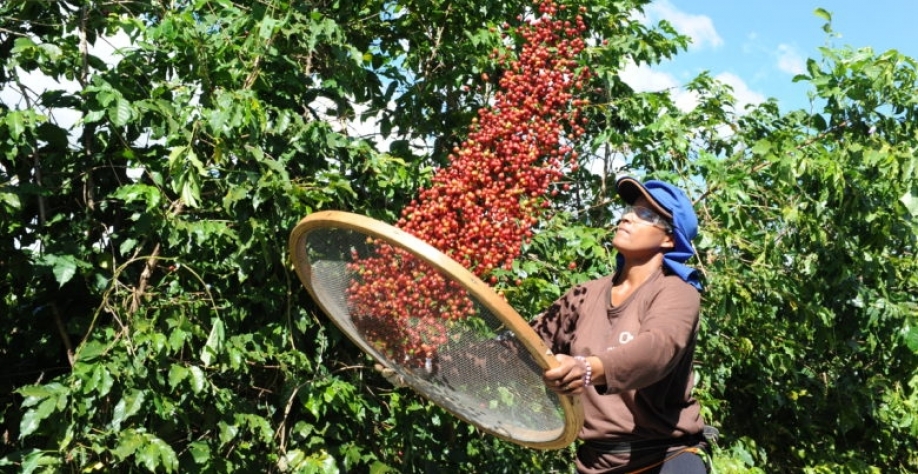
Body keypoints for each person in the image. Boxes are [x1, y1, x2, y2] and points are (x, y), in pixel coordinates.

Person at [533, 176, 711, 473]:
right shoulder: (583, 295)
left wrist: (589, 368)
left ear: (669, 238)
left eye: (646, 215)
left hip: (664, 459)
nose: (628, 216)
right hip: (594, 463)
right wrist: (443, 358)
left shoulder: (677, 292)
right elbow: (523, 345)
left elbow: (657, 349)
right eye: (630, 209)